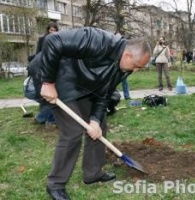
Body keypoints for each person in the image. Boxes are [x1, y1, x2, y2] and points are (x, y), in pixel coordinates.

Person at [28, 27, 151, 200]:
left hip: (82, 85)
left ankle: (92, 173)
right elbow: (53, 40)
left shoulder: (123, 67)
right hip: (55, 77)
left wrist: (94, 119)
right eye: (137, 66)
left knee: (99, 125)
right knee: (73, 131)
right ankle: (55, 185)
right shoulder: (97, 40)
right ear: (128, 55)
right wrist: (48, 82)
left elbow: (105, 93)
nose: (136, 70)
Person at [34, 22, 59, 127]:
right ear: (48, 30)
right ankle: (48, 120)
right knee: (47, 96)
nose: (52, 32)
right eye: (51, 30)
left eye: (54, 30)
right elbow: (38, 53)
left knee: (49, 97)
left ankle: (41, 118)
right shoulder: (43, 39)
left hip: (53, 68)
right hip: (43, 68)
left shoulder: (59, 39)